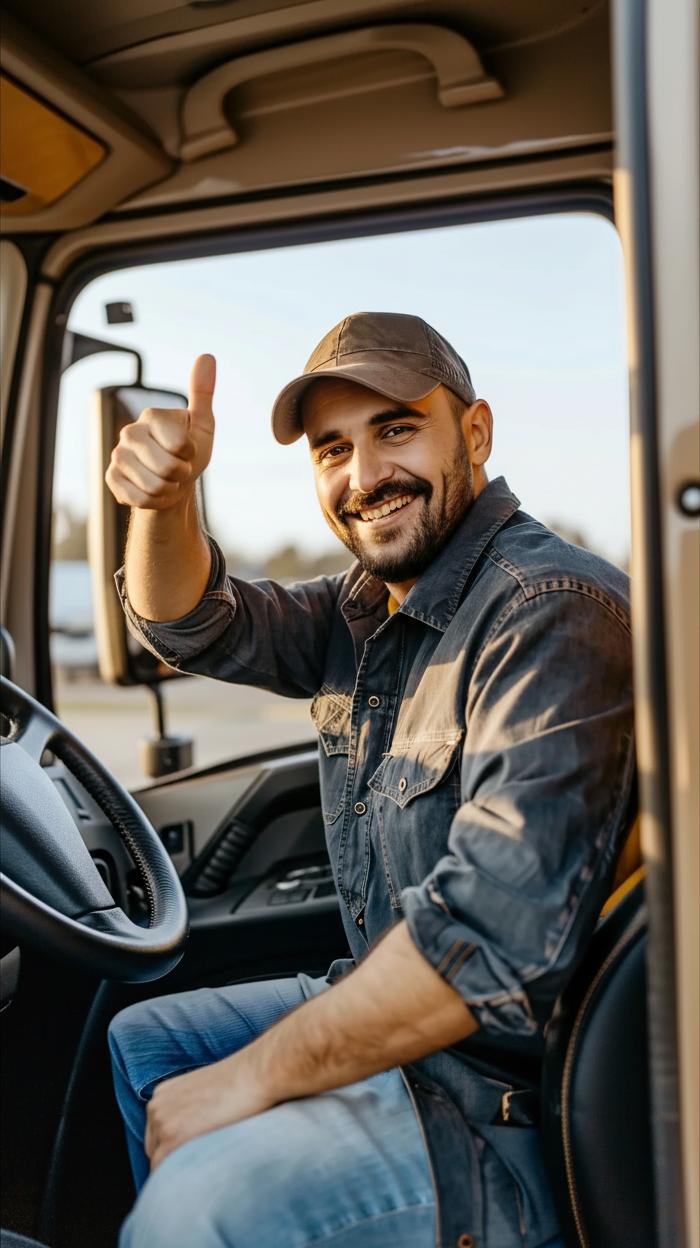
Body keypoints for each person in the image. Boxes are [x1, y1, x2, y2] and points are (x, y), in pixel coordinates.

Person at [106, 312, 634, 1248]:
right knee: (148, 1045)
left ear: (473, 434)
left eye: (396, 429)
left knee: (200, 1207)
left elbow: (484, 946)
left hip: (498, 1101)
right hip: (411, 1034)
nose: (363, 477)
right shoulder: (366, 610)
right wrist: (163, 503)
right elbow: (190, 623)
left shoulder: (551, 612)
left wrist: (252, 1078)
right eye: (332, 450)